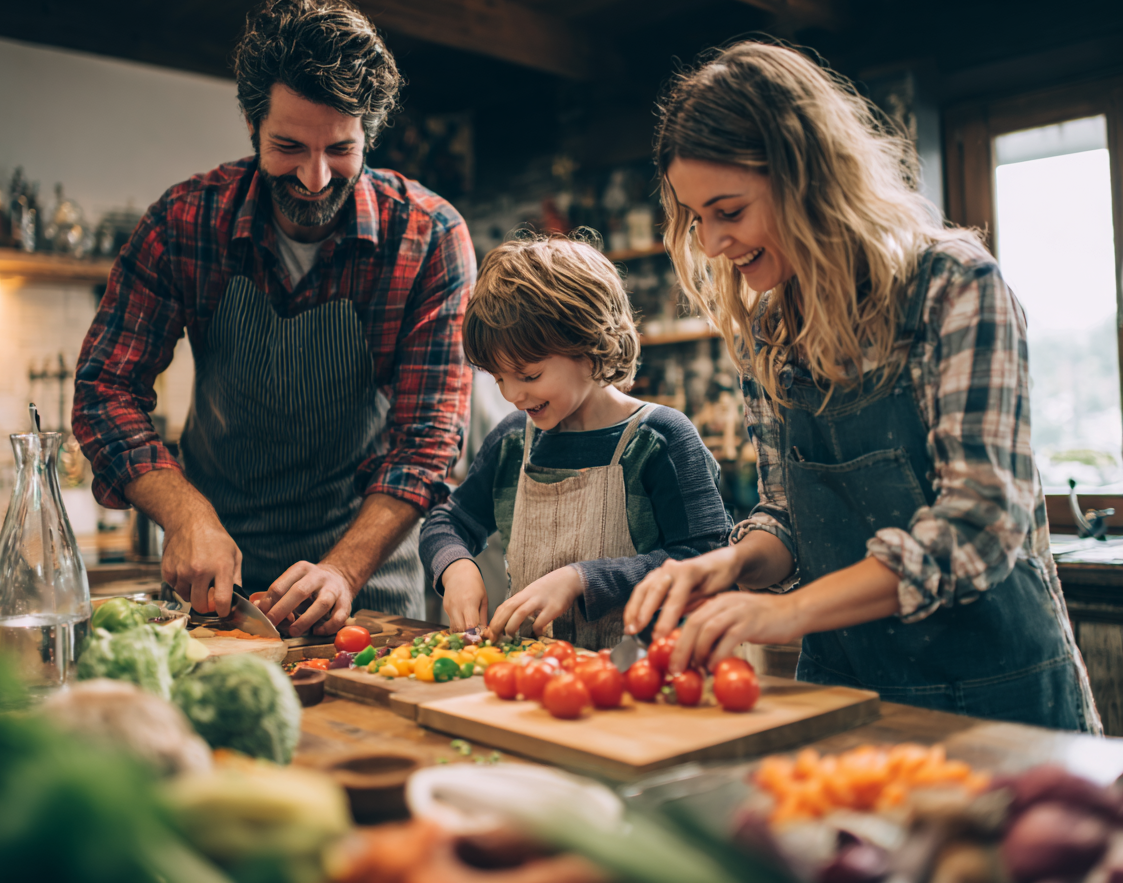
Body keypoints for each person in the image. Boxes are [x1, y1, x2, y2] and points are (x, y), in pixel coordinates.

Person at [622, 42, 1100, 732]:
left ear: (807, 178)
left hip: (999, 695)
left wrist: (785, 612)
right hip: (845, 690)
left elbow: (980, 523)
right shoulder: (771, 328)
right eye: (696, 217)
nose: (712, 242)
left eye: (729, 210)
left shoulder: (956, 288)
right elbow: (789, 516)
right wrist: (732, 564)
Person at [73, 0, 474, 634]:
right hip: (214, 579)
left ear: (368, 134)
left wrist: (342, 571)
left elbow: (427, 439)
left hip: (365, 580)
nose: (315, 177)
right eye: (289, 147)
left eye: (340, 149)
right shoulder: (184, 223)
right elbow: (105, 390)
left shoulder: (428, 237)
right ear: (252, 126)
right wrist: (187, 516)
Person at [420, 232, 732, 649]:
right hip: (535, 677)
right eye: (498, 378)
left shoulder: (660, 440)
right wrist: (456, 566)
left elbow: (707, 561)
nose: (511, 395)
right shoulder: (514, 442)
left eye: (529, 375)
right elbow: (445, 521)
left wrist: (583, 579)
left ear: (589, 345)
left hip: (645, 678)